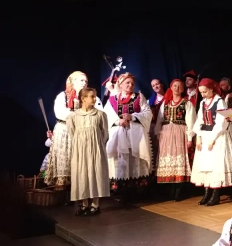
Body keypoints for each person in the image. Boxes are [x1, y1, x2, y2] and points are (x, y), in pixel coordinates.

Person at [45, 71, 102, 190]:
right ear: (73, 81)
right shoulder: (63, 96)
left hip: (83, 132)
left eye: (86, 81)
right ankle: (63, 189)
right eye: (81, 80)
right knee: (65, 159)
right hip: (64, 130)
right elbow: (60, 112)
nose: (84, 83)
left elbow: (99, 112)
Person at [104, 73, 153, 205]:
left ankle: (135, 191)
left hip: (135, 135)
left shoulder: (139, 97)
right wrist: (118, 121)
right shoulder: (113, 99)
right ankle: (121, 190)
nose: (130, 85)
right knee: (120, 160)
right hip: (119, 135)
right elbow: (106, 116)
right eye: (127, 83)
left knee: (135, 159)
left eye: (132, 83)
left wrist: (133, 117)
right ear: (120, 84)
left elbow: (147, 113)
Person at [67, 88, 110, 216]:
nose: (95, 99)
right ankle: (84, 204)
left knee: (95, 173)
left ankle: (95, 204)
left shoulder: (100, 115)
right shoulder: (73, 116)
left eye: (95, 96)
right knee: (82, 174)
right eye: (92, 96)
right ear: (83, 99)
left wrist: (96, 144)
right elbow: (72, 133)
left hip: (96, 149)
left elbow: (105, 133)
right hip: (80, 151)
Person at [191, 78, 232, 206]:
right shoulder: (203, 103)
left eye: (205, 92)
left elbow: (221, 122)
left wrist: (213, 138)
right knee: (205, 165)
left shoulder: (219, 102)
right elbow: (199, 120)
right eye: (201, 92)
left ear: (211, 89)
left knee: (215, 165)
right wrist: (198, 136)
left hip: (217, 136)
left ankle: (215, 194)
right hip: (204, 135)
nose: (203, 94)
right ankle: (206, 193)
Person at [155, 79, 197, 201]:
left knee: (179, 159)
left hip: (180, 133)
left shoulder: (187, 104)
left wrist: (190, 138)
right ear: (171, 87)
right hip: (166, 134)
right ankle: (170, 189)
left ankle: (179, 190)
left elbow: (191, 121)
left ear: (183, 89)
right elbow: (159, 120)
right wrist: (158, 135)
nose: (177, 88)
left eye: (179, 86)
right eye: (175, 86)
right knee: (169, 160)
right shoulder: (165, 103)